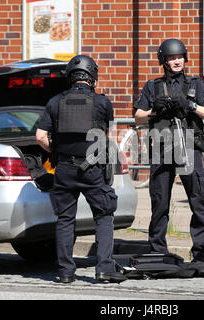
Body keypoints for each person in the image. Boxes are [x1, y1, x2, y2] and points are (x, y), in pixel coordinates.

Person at [36, 55, 127, 284]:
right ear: (92, 76)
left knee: (65, 219)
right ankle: (104, 269)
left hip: (65, 169)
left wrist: (57, 150)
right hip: (92, 168)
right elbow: (105, 137)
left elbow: (40, 137)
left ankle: (66, 272)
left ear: (71, 76)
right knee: (104, 215)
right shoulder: (102, 103)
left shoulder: (55, 101)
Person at [133, 38, 204, 263]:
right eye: (172, 58)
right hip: (162, 145)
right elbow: (138, 116)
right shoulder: (153, 86)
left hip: (188, 145)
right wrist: (154, 111)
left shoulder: (195, 84)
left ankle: (200, 254)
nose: (177, 61)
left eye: (179, 57)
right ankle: (157, 251)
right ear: (164, 60)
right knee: (159, 202)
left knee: (197, 200)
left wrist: (191, 106)